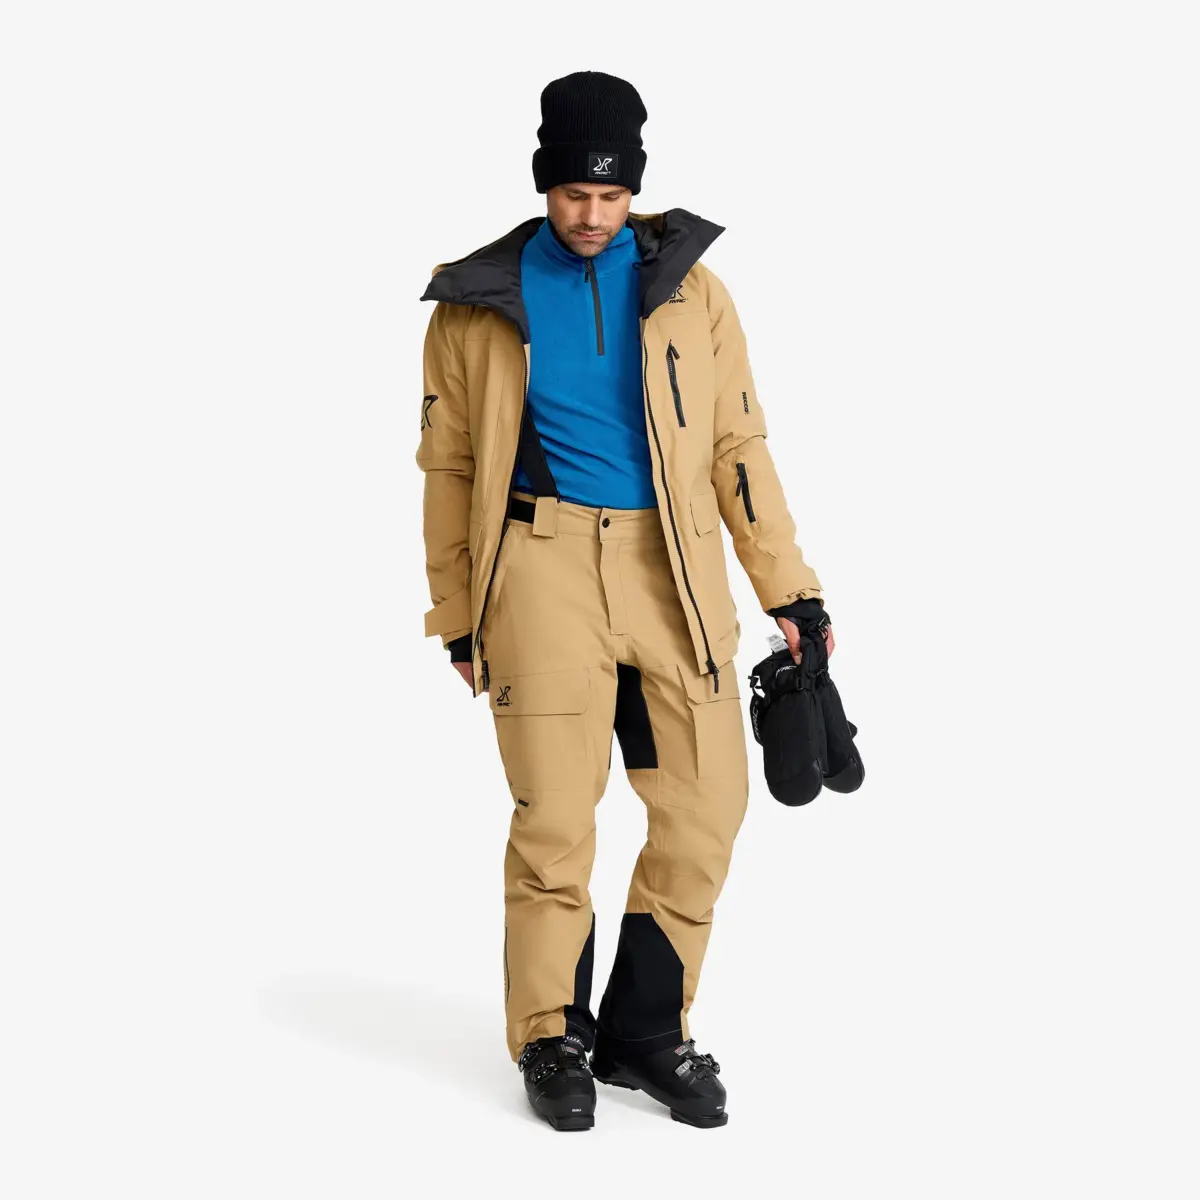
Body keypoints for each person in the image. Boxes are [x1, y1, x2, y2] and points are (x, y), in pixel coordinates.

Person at [416, 70, 835, 1131]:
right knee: (556, 820)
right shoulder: (475, 303)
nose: (592, 215)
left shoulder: (693, 292)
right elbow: (449, 469)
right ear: (544, 184)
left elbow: (738, 448)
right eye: (573, 194)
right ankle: (551, 1033)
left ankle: (645, 1031)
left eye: (610, 196)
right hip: (540, 568)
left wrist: (791, 591)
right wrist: (456, 614)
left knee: (707, 807)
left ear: (635, 188)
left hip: (673, 570)